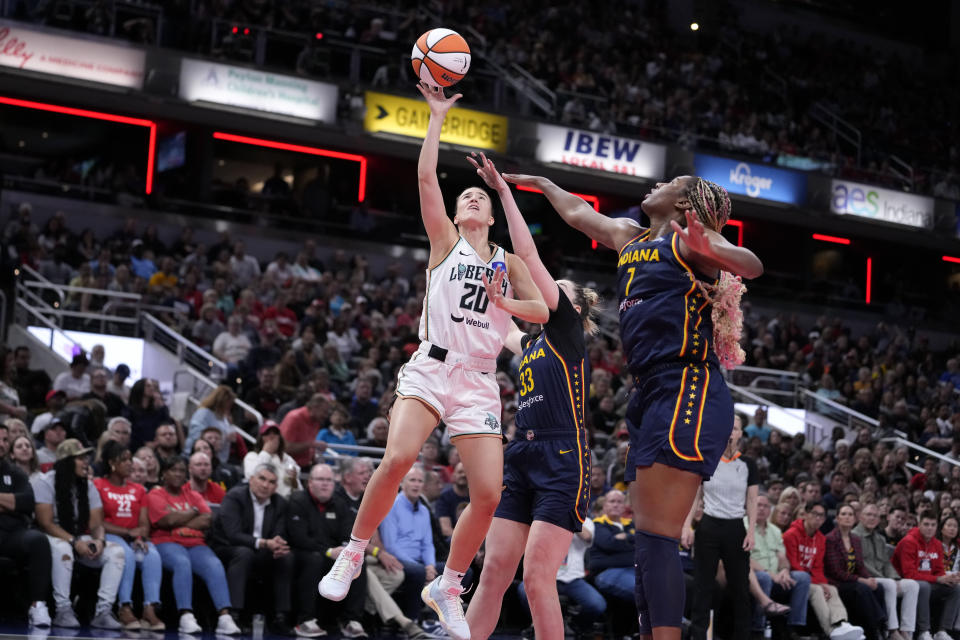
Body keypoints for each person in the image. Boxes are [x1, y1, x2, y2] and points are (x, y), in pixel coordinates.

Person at [319, 84, 548, 640]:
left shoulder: (510, 260)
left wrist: (504, 305)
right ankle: (353, 551)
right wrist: (436, 118)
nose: (471, 199)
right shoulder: (445, 242)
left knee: (490, 495)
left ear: (492, 214)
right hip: (432, 365)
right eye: (464, 195)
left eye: (480, 197)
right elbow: (426, 179)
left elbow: (538, 311)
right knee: (398, 457)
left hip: (476, 380)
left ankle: (447, 584)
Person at [503, 169, 762, 640]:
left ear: (685, 205)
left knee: (659, 537)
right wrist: (545, 185)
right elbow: (582, 216)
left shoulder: (689, 245)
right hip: (646, 392)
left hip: (687, 384)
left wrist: (713, 246)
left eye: (667, 183)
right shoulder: (631, 238)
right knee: (648, 540)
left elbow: (751, 264)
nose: (654, 186)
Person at [460, 151, 600, 640]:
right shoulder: (532, 340)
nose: (544, 290)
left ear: (574, 306)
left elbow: (528, 258)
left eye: (555, 288)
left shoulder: (565, 330)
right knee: (494, 571)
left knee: (538, 579)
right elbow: (498, 325)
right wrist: (474, 251)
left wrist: (503, 193)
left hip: (564, 455)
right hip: (522, 452)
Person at [31, 438, 125, 629]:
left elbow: (97, 523)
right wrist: (74, 542)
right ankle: (63, 609)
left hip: (79, 535)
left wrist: (99, 541)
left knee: (116, 552)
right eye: (80, 458)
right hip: (51, 536)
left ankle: (103, 611)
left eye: (86, 458)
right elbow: (46, 523)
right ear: (66, 462)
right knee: (63, 548)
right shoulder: (45, 482)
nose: (86, 462)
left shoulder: (87, 485)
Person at [683, 415, 759, 640]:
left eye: (734, 428)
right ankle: (699, 636)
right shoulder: (706, 460)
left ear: (740, 434)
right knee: (702, 587)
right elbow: (695, 496)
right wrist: (687, 526)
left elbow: (752, 500)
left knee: (741, 589)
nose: (730, 432)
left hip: (736, 527)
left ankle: (741, 635)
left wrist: (751, 531)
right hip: (708, 526)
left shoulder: (748, 464)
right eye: (726, 427)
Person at [146, 457, 240, 634]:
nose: (178, 474)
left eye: (182, 471)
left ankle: (224, 617)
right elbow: (167, 520)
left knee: (214, 564)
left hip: (195, 543)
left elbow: (207, 519)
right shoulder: (155, 495)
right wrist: (192, 512)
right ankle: (186, 615)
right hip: (166, 542)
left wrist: (179, 521)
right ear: (164, 473)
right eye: (174, 470)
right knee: (182, 562)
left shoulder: (194, 495)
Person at [209, 463, 295, 635]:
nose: (265, 485)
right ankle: (234, 615)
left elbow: (279, 532)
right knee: (244, 553)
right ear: (251, 479)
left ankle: (280, 618)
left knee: (285, 556)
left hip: (261, 549)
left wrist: (278, 545)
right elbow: (233, 534)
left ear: (276, 487)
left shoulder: (279, 503)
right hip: (226, 547)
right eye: (262, 479)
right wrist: (264, 543)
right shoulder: (235, 497)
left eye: (271, 482)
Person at [286, 463, 370, 639]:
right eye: (320, 479)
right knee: (314, 559)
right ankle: (305, 620)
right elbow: (298, 538)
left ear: (334, 483)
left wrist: (345, 550)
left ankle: (351, 620)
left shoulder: (339, 504)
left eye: (329, 480)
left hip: (331, 554)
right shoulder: (297, 500)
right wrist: (328, 551)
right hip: (303, 553)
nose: (325, 484)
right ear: (310, 482)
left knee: (357, 560)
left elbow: (349, 534)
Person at [94, 440, 165, 630]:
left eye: (129, 459)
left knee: (152, 555)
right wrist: (127, 532)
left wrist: (140, 537)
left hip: (133, 538)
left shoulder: (139, 489)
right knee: (125, 554)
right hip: (109, 536)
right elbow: (98, 522)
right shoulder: (98, 485)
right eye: (123, 460)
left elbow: (143, 524)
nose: (129, 463)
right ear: (111, 463)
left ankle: (149, 609)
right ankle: (124, 607)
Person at [783, 501, 865, 640]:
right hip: (794, 578)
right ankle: (831, 631)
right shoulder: (791, 535)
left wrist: (823, 583)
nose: (818, 519)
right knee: (817, 590)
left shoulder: (820, 538)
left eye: (822, 516)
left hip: (811, 579)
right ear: (806, 514)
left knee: (831, 589)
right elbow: (793, 564)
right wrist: (819, 584)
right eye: (815, 514)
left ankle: (842, 624)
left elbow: (818, 567)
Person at [0, 423, 53, 627]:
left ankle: (38, 605)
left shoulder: (15, 472)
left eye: (5, 440)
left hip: (13, 534)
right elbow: (16, 502)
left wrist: (12, 504)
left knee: (38, 541)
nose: (2, 444)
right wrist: (10, 503)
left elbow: (26, 502)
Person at [379, 464, 439, 621]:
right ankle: (413, 620)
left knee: (461, 572)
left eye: (420, 481)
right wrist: (421, 568)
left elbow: (428, 544)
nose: (416, 484)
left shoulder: (425, 511)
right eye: (412, 480)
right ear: (402, 483)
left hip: (421, 563)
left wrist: (430, 566)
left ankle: (436, 621)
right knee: (418, 572)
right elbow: (391, 546)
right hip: (400, 560)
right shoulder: (390, 506)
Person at [854, 502, 920, 640]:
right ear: (860, 517)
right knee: (889, 584)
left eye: (875, 516)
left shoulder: (880, 538)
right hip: (865, 578)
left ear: (879, 519)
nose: (872, 518)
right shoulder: (854, 536)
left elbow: (886, 563)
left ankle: (907, 631)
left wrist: (896, 578)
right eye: (868, 515)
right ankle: (892, 630)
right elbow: (861, 565)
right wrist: (889, 580)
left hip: (883, 578)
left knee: (912, 585)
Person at [748, 493, 811, 637]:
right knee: (764, 577)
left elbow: (782, 557)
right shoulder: (743, 526)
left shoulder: (775, 531)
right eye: (758, 505)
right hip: (753, 576)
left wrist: (784, 571)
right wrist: (772, 575)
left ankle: (794, 627)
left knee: (802, 578)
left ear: (770, 510)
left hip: (776, 576)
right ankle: (758, 628)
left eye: (766, 506)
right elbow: (744, 559)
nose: (762, 509)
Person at [824, 505, 888, 640]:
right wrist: (861, 580)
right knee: (862, 588)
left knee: (878, 587)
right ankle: (877, 627)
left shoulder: (855, 539)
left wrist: (869, 578)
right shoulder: (830, 539)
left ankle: (876, 628)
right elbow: (836, 572)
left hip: (853, 580)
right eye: (844, 514)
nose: (847, 517)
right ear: (837, 518)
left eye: (850, 514)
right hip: (837, 583)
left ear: (855, 519)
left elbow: (860, 566)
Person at [892, 512, 960, 640]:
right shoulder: (908, 542)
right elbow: (909, 574)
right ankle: (924, 631)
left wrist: (949, 578)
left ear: (937, 527)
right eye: (926, 524)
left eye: (933, 525)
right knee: (924, 587)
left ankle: (942, 631)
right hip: (904, 583)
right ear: (919, 525)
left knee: (955, 588)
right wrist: (938, 579)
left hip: (927, 583)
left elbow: (939, 571)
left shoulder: (937, 544)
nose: (930, 528)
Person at [588, 490, 636, 604]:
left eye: (619, 502)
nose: (615, 505)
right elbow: (609, 544)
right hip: (608, 572)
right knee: (644, 591)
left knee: (663, 586)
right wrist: (631, 542)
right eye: (612, 501)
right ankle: (674, 621)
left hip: (634, 569)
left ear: (624, 506)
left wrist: (626, 537)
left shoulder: (632, 524)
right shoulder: (597, 524)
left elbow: (643, 543)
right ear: (604, 506)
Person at [243, 421, 301, 498]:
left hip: (289, 500)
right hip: (268, 499)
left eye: (275, 433)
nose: (272, 437)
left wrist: (294, 480)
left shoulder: (287, 458)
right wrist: (266, 452)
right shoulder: (252, 456)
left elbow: (297, 487)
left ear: (279, 438)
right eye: (267, 434)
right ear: (261, 438)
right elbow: (250, 475)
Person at [186, 385, 236, 463]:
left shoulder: (223, 417)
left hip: (219, 458)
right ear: (220, 402)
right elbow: (195, 436)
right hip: (199, 456)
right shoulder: (203, 413)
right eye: (227, 404)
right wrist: (224, 437)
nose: (229, 407)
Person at [278, 394, 331, 468]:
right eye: (324, 412)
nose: (326, 416)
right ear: (315, 408)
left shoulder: (316, 421)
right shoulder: (294, 418)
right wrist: (312, 444)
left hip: (305, 466)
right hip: (288, 467)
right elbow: (285, 447)